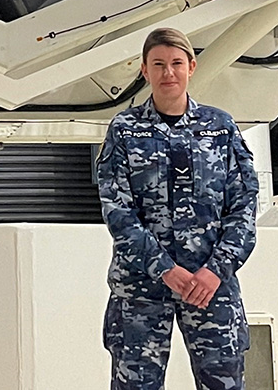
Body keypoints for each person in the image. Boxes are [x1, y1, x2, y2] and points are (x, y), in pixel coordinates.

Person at [97, 27, 258, 390]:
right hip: (141, 287)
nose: (168, 73)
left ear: (191, 67)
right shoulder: (124, 130)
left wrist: (217, 270)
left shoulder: (219, 128)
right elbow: (117, 210)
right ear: (144, 71)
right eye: (158, 64)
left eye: (176, 63)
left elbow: (244, 205)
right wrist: (164, 269)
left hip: (210, 287)